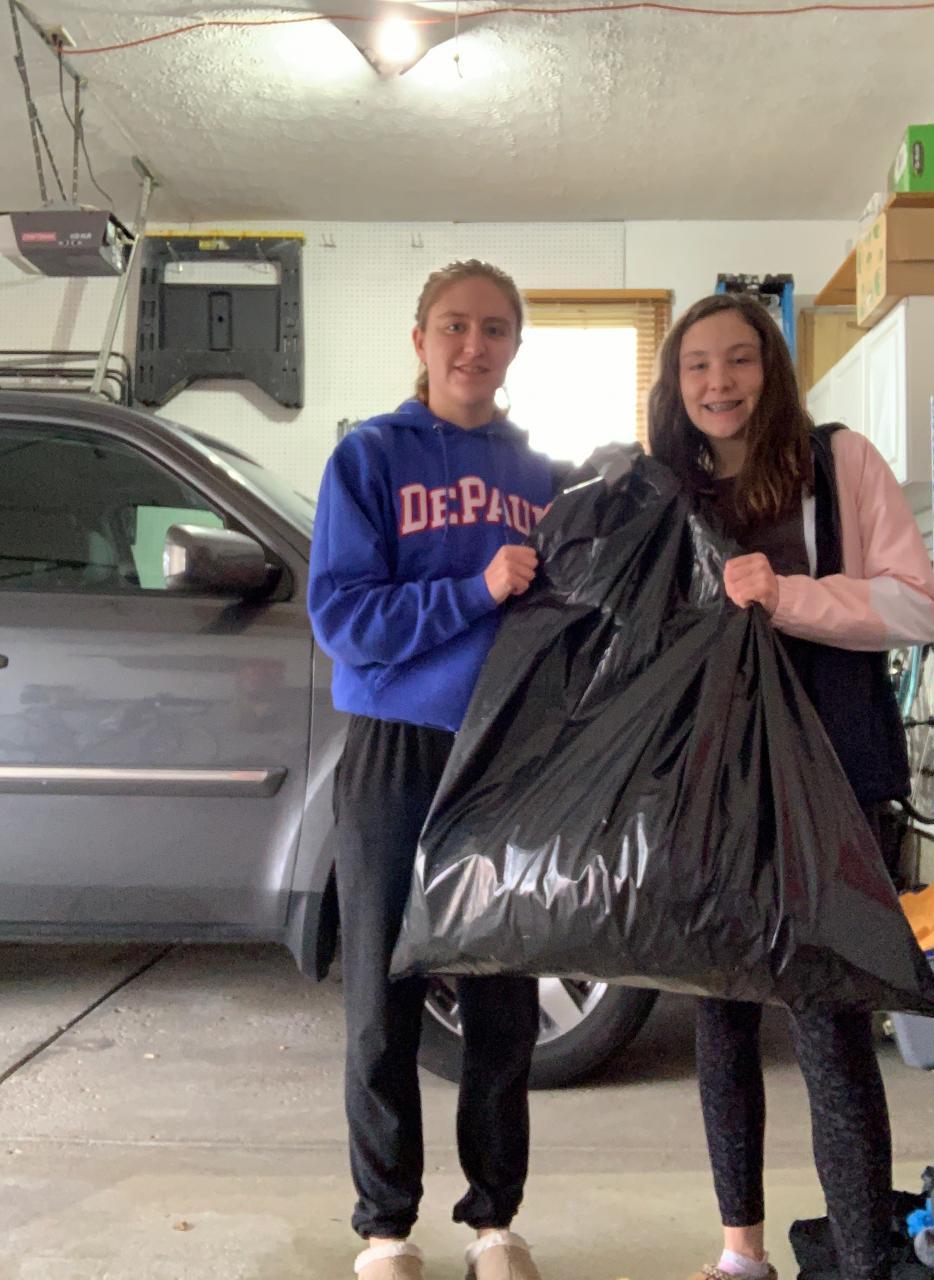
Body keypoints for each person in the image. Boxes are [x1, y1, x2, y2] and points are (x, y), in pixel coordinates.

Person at [647, 292, 934, 1280]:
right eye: (697, 364)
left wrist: (786, 597)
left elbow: (918, 608)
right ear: (675, 383)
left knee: (829, 1023)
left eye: (739, 359)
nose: (719, 382)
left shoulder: (839, 460)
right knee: (722, 1017)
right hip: (711, 784)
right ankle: (741, 1251)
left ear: (771, 368)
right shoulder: (664, 491)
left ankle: (862, 1257)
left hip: (831, 778)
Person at [307, 260, 552, 1280]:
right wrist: (473, 590)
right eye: (454, 325)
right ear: (420, 340)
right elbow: (343, 621)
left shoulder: (540, 477)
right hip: (396, 743)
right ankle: (385, 1230)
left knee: (502, 998)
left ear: (514, 345)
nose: (473, 345)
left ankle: (495, 1223)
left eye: (495, 328)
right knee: (383, 992)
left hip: (507, 752)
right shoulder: (369, 456)